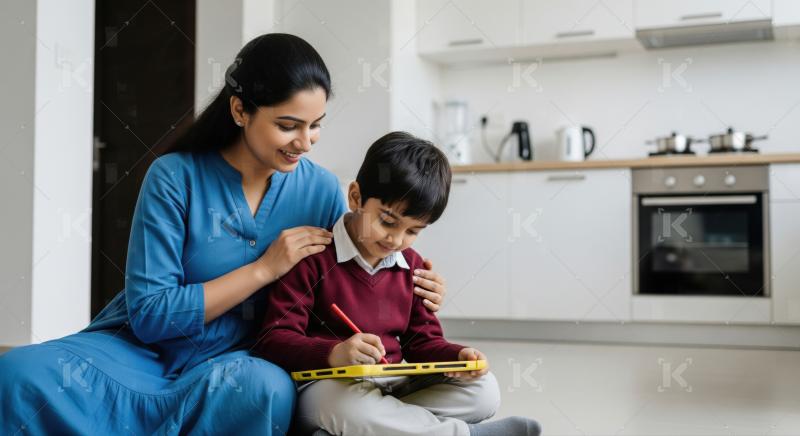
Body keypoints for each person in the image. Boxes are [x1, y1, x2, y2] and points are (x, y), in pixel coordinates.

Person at [0, 34, 449, 435]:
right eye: (288, 125)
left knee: (265, 390)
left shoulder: (319, 188)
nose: (306, 142)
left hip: (244, 357)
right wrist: (263, 270)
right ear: (240, 110)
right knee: (20, 373)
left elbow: (357, 267)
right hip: (142, 351)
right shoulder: (173, 177)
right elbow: (152, 314)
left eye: (316, 125)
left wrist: (415, 285)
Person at [256, 132, 542, 436]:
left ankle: (374, 428)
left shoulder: (412, 265)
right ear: (355, 197)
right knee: (344, 405)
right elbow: (273, 338)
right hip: (328, 388)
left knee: (485, 391)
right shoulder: (313, 258)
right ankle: (466, 434)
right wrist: (335, 352)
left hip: (391, 386)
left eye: (413, 231)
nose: (396, 240)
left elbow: (422, 343)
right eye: (387, 221)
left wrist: (458, 357)